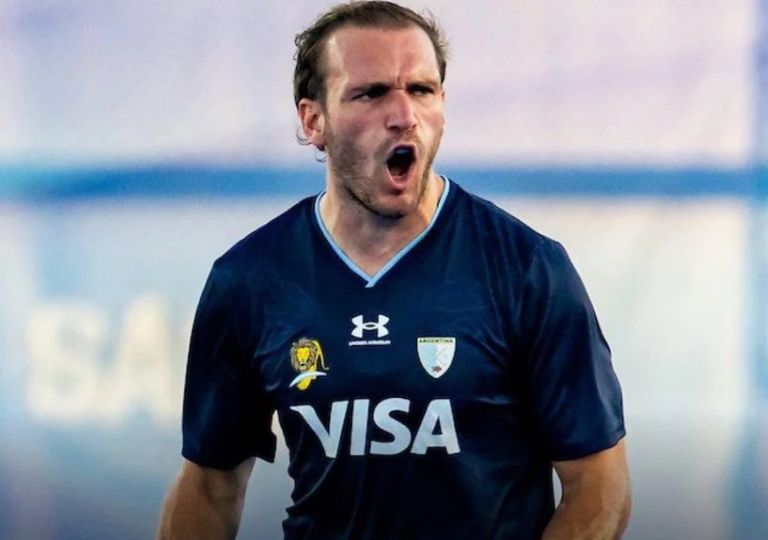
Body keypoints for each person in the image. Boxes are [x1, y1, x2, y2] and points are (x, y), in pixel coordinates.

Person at [156, 2, 631, 538]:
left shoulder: (528, 269)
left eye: (422, 90)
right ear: (313, 120)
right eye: (372, 93)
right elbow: (209, 486)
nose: (404, 115)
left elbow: (600, 486)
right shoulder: (248, 280)